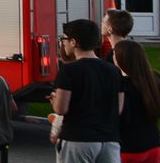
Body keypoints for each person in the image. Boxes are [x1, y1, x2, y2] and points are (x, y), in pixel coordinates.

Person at [52, 18, 123, 163]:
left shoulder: (69, 71)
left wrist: (55, 100)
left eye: (64, 39)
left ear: (74, 42)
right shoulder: (113, 70)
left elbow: (61, 109)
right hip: (110, 140)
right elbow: (119, 108)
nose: (63, 42)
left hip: (78, 139)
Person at [113, 39, 160, 163]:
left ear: (120, 59)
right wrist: (155, 112)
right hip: (152, 145)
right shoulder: (154, 78)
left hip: (127, 147)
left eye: (114, 54)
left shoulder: (120, 84)